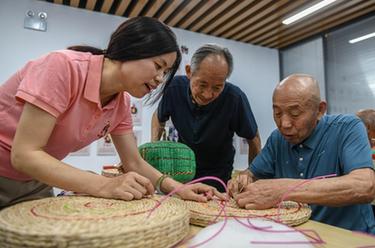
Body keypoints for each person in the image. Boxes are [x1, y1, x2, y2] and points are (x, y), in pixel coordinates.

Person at [0, 17, 222, 210]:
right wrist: (105, 185)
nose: (159, 79)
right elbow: (24, 155)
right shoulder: (62, 67)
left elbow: (134, 162)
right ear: (131, 48)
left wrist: (179, 189)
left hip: (36, 180)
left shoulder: (121, 103)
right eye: (158, 66)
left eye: (165, 73)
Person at [229, 74, 375, 233]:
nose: (284, 124)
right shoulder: (277, 139)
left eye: (295, 113)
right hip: (298, 236)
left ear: (320, 110)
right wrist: (244, 179)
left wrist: (283, 190)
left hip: (349, 237)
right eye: (277, 113)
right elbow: (252, 173)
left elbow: (364, 186)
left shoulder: (347, 128)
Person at [151, 44, 261, 191]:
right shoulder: (174, 88)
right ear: (189, 71)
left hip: (218, 177)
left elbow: (253, 138)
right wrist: (154, 149)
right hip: (181, 171)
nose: (208, 94)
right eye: (202, 85)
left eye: (217, 88)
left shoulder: (234, 98)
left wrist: (251, 175)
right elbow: (158, 117)